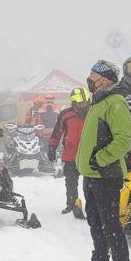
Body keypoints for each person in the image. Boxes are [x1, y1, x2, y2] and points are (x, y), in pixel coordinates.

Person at [76, 60, 131, 261]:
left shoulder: (116, 102)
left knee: (111, 226)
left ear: (105, 79)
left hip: (106, 175)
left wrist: (99, 159)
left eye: (93, 77)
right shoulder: (98, 102)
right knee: (96, 224)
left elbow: (124, 140)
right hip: (91, 175)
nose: (89, 81)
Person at [48, 87, 89, 217]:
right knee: (71, 182)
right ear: (74, 102)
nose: (83, 106)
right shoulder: (66, 115)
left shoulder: (93, 113)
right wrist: (52, 147)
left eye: (85, 103)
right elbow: (57, 132)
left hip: (89, 155)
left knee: (91, 184)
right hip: (70, 155)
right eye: (80, 103)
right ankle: (71, 204)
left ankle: (92, 205)